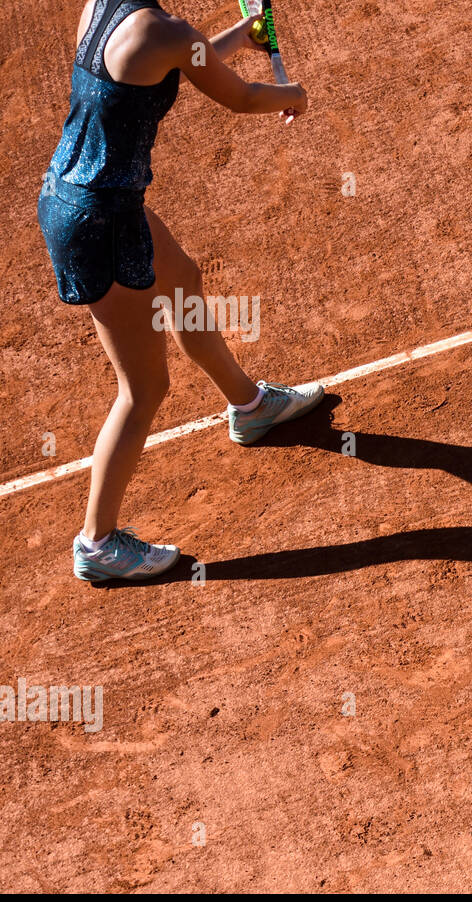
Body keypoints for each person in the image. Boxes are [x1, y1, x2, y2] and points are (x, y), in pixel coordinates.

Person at [38, 0, 324, 582]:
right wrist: (289, 94)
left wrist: (240, 37)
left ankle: (251, 407)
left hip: (84, 195)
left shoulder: (110, 9)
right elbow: (241, 97)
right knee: (144, 389)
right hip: (103, 221)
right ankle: (97, 545)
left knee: (184, 282)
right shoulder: (166, 32)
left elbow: (175, 61)